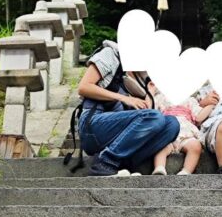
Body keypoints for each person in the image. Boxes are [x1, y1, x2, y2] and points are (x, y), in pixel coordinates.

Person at [76, 38, 180, 177]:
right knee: (154, 117)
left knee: (171, 124)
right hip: (93, 125)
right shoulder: (110, 54)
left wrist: (151, 92)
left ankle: (122, 166)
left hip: (118, 135)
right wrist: (124, 98)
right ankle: (105, 162)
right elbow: (84, 87)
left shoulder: (138, 77)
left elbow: (149, 119)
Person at [149, 85, 219, 176]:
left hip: (187, 134)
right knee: (160, 147)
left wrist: (211, 105)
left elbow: (198, 117)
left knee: (195, 146)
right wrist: (151, 92)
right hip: (167, 133)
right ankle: (159, 167)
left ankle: (186, 171)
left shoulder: (190, 100)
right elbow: (149, 109)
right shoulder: (160, 98)